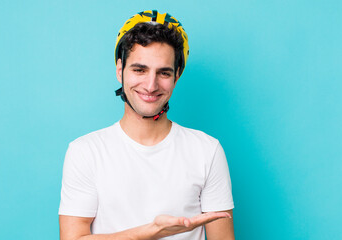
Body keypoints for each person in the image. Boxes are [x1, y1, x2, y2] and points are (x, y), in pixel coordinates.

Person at [59, 10, 235, 240]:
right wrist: (152, 232)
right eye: (139, 70)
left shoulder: (207, 151)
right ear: (120, 70)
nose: (151, 85)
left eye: (163, 72)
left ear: (177, 75)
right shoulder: (85, 152)